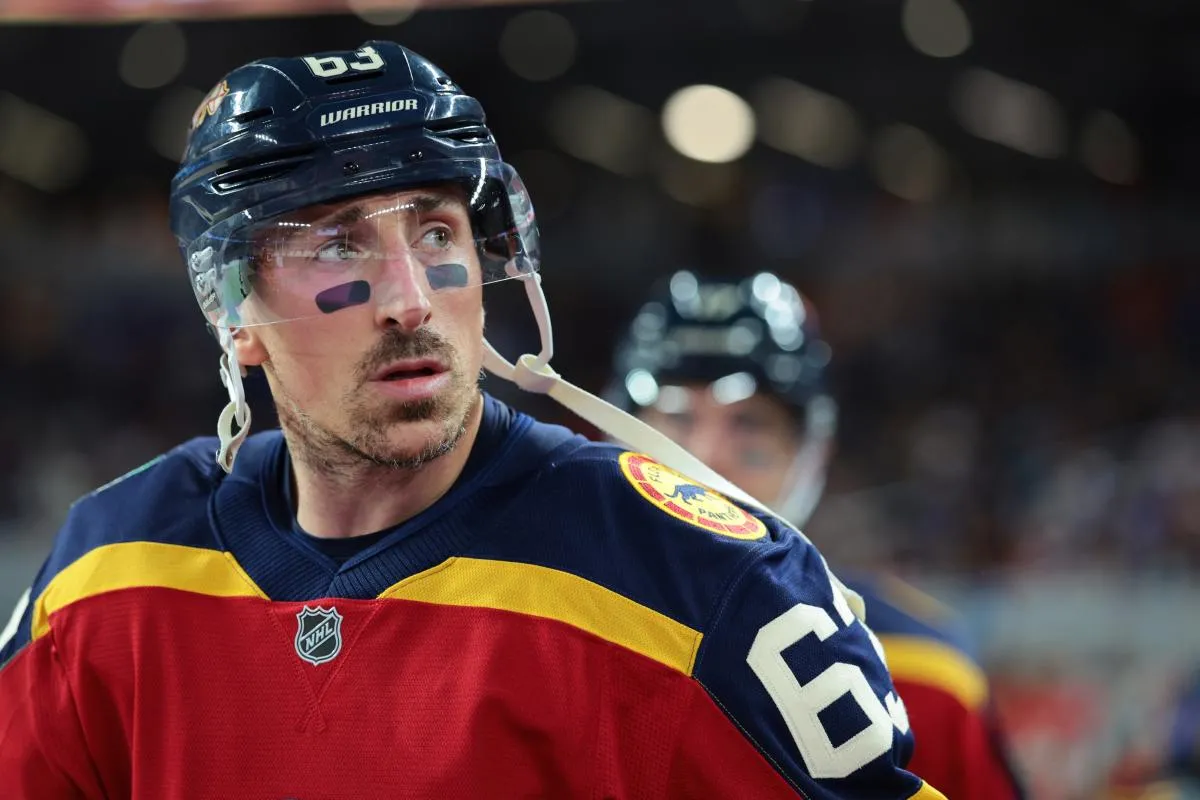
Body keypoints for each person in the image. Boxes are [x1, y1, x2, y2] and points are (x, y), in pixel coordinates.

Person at [0, 41, 944, 799]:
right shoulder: (106, 568)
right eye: (338, 246)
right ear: (234, 311)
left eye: (436, 232)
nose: (409, 298)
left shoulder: (702, 578)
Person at [609, 269, 1025, 799]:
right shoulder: (544, 628)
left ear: (813, 451)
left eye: (750, 422)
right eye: (676, 417)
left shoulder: (928, 675)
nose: (707, 455)